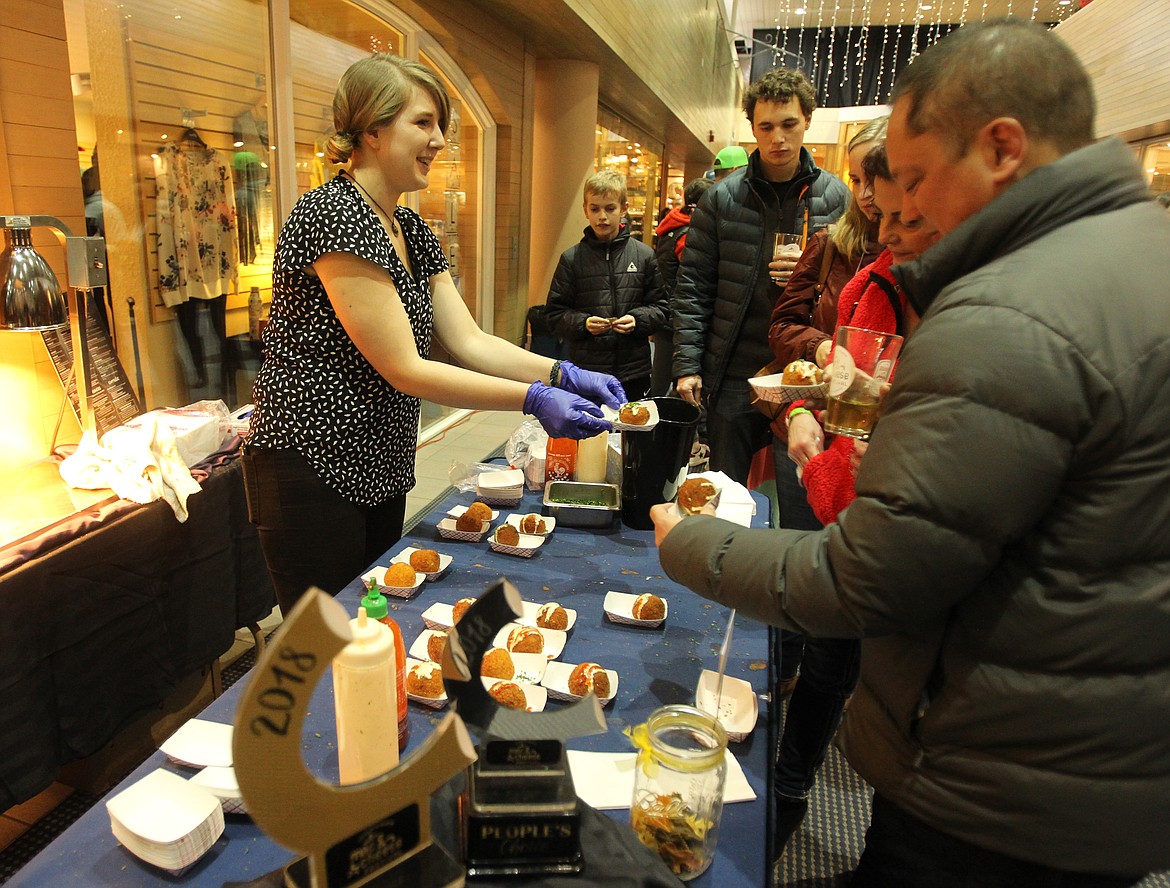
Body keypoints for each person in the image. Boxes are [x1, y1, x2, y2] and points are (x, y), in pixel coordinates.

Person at [653, 18, 1170, 886]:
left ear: (1002, 148)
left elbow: (870, 576)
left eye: (918, 182)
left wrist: (689, 544)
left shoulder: (1010, 313)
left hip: (1000, 785)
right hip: (1100, 764)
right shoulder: (1137, 250)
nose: (902, 215)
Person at [244, 54, 625, 616]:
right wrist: (532, 398)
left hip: (377, 456)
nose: (440, 140)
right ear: (372, 130)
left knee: (378, 622)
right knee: (331, 646)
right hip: (311, 467)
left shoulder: (408, 224)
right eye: (423, 123)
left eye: (440, 125)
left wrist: (560, 372)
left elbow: (468, 340)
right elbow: (405, 367)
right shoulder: (332, 214)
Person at [760, 121, 892, 856]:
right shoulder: (836, 244)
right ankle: (773, 699)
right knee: (799, 595)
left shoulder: (931, 262)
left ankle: (792, 780)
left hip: (874, 469)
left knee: (837, 634)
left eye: (887, 176)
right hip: (810, 438)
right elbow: (783, 327)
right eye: (866, 178)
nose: (872, 196)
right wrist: (827, 357)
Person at [672, 67, 849, 483]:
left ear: (807, 119)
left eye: (789, 124)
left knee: (801, 493)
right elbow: (694, 287)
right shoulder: (721, 198)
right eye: (765, 126)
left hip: (805, 376)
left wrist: (813, 266)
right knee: (728, 490)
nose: (778, 138)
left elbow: (851, 284)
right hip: (735, 374)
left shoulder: (837, 196)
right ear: (752, 127)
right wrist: (687, 365)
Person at [543, 170, 669, 400]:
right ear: (585, 210)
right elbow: (554, 315)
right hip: (586, 372)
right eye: (595, 209)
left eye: (610, 208)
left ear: (624, 208)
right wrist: (584, 324)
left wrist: (638, 320)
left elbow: (662, 309)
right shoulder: (572, 259)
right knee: (591, 433)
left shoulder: (644, 255)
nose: (602, 216)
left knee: (633, 433)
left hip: (634, 372)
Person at [651, 177, 713, 395]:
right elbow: (694, 276)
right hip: (680, 316)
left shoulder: (671, 225)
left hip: (665, 312)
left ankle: (652, 423)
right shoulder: (689, 234)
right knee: (679, 381)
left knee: (660, 378)